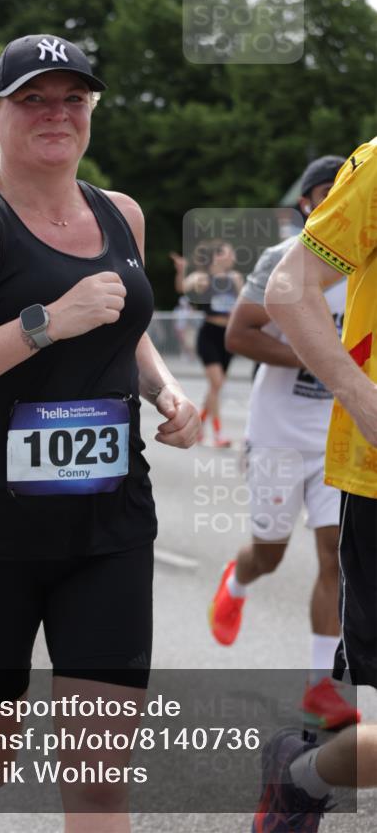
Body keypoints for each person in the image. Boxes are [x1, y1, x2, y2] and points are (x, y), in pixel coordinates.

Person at [0, 33, 200, 833]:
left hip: (108, 525)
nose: (55, 114)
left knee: (98, 775)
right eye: (32, 98)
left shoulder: (120, 214)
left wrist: (166, 390)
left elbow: (121, 327)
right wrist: (44, 324)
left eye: (73, 98)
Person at [252, 137, 377, 828]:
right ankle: (301, 775)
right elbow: (280, 294)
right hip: (342, 456)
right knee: (275, 554)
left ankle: (307, 747)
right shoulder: (374, 169)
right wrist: (359, 396)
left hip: (327, 439)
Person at [209, 156, 358, 725]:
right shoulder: (283, 259)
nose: (333, 201)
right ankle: (239, 578)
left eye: (342, 191)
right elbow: (238, 333)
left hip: (337, 435)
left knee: (335, 555)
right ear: (305, 205)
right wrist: (316, 357)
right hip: (277, 434)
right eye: (323, 193)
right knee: (269, 554)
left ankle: (320, 685)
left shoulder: (367, 265)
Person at [183, 239, 243, 446]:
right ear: (217, 256)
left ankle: (198, 426)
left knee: (215, 387)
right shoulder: (202, 277)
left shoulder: (235, 278)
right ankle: (218, 434)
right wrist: (187, 278)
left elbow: (242, 303)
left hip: (228, 337)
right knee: (217, 384)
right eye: (229, 252)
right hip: (209, 334)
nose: (233, 257)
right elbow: (185, 286)